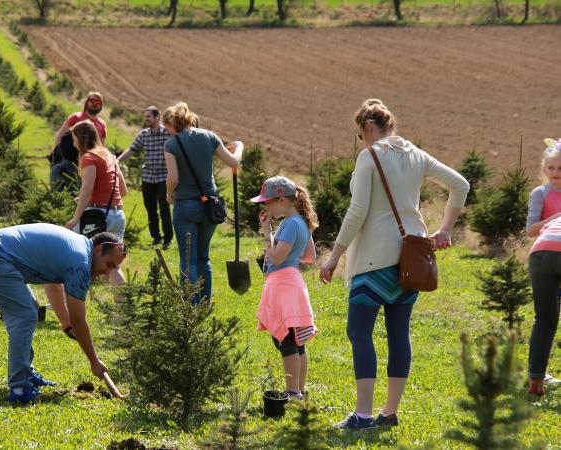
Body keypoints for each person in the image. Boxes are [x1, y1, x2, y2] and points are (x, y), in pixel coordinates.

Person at [319, 99, 469, 430]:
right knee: (399, 333)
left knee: (359, 332)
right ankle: (389, 412)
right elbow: (461, 185)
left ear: (368, 128)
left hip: (374, 259)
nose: (362, 141)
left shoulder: (369, 156)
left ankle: (362, 414)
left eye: (361, 135)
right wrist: (444, 228)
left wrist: (334, 257)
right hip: (410, 260)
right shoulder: (416, 154)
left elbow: (357, 211)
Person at [0, 225, 126, 404]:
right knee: (24, 315)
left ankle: (26, 375)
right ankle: (20, 388)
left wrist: (65, 323)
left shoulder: (78, 246)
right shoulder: (80, 263)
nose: (106, 273)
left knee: (29, 309)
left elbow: (52, 283)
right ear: (98, 250)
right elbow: (79, 320)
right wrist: (94, 361)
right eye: (109, 265)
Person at [162, 102, 243, 305]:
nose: (168, 132)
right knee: (203, 257)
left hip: (185, 206)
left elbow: (173, 179)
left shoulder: (171, 145)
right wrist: (240, 146)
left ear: (172, 124)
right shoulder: (209, 136)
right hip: (210, 207)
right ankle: (205, 303)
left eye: (167, 128)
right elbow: (233, 162)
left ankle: (192, 307)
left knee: (188, 261)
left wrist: (169, 195)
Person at [252, 176, 318, 401]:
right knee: (297, 340)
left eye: (268, 202)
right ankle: (299, 391)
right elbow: (310, 257)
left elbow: (278, 257)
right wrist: (269, 230)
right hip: (294, 283)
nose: (265, 206)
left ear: (281, 200)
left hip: (282, 285)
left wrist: (269, 242)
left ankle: (292, 392)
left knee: (285, 340)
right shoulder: (301, 221)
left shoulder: (289, 224)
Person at [525, 139, 561, 396]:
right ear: (544, 169)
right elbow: (530, 230)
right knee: (546, 319)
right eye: (551, 168)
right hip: (547, 250)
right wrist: (556, 218)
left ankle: (535, 381)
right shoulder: (540, 194)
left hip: (541, 256)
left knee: (545, 320)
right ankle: (539, 377)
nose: (556, 173)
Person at [118, 106, 173, 249]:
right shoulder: (144, 134)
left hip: (163, 177)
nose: (146, 119)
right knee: (150, 208)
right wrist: (117, 161)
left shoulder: (167, 133)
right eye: (145, 116)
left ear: (157, 117)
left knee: (164, 207)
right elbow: (132, 149)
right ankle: (156, 238)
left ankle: (168, 239)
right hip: (148, 177)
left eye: (149, 116)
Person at [65, 120, 127, 237]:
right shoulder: (108, 155)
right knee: (113, 254)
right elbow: (123, 190)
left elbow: (87, 188)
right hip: (118, 215)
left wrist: (76, 218)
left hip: (97, 216)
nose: (73, 144)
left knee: (85, 251)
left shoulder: (89, 157)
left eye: (74, 139)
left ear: (81, 139)